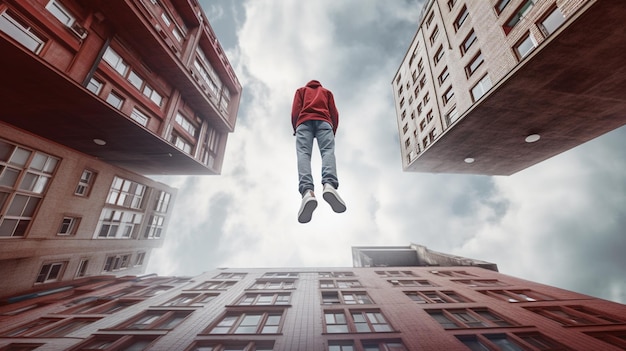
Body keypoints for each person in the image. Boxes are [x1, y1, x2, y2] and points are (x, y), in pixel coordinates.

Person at [291, 80, 346, 223]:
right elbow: (334, 112)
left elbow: (295, 110)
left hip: (303, 122)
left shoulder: (301, 91)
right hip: (324, 122)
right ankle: (329, 185)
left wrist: (295, 127)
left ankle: (307, 192)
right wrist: (332, 129)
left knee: (303, 154)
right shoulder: (327, 92)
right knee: (327, 151)